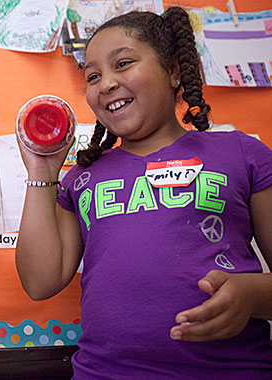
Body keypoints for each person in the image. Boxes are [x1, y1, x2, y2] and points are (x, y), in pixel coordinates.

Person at [16, 7, 272, 379]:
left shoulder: (241, 154)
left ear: (172, 71)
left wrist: (253, 295)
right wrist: (42, 170)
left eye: (122, 64)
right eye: (92, 76)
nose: (105, 83)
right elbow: (40, 282)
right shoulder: (82, 177)